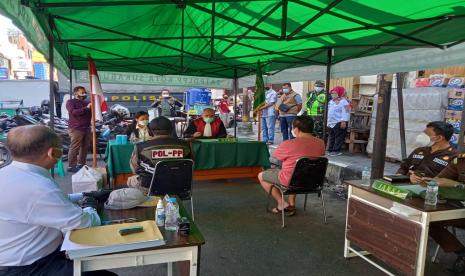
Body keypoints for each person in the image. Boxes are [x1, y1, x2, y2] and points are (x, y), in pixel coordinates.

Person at [0, 125, 106, 276]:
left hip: (16, 260)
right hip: (29, 268)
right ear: (53, 152)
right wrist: (90, 205)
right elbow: (85, 223)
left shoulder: (10, 174)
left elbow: (47, 205)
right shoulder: (37, 187)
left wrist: (85, 194)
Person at [258, 116, 325, 216]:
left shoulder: (288, 144)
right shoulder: (321, 143)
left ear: (297, 129)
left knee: (261, 175)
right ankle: (291, 202)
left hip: (291, 181)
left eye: (293, 127)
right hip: (313, 181)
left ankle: (282, 204)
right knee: (298, 171)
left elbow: (276, 156)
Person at [419, 154, 465, 273]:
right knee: (429, 221)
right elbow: (438, 180)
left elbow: (450, 183)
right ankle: (462, 253)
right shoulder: (460, 161)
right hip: (458, 211)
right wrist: (423, 181)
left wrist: (456, 184)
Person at [130, 116, 192, 189]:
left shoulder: (140, 147)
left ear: (150, 130)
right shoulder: (186, 144)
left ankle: (148, 200)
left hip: (151, 187)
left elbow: (135, 169)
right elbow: (192, 164)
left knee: (131, 180)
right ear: (172, 129)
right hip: (181, 185)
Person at [66, 86, 92, 173]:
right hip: (76, 128)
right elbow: (73, 112)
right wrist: (87, 108)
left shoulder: (86, 102)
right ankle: (71, 166)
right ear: (76, 93)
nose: (84, 94)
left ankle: (81, 164)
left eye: (85, 92)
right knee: (75, 147)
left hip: (87, 128)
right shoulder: (70, 102)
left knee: (85, 147)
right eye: (82, 92)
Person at [326, 86, 350, 156]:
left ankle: (336, 150)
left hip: (339, 122)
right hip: (331, 122)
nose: (333, 94)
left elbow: (346, 112)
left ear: (339, 93)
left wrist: (344, 121)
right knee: (331, 136)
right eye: (332, 93)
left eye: (335, 93)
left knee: (339, 137)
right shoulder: (331, 102)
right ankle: (330, 150)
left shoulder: (344, 102)